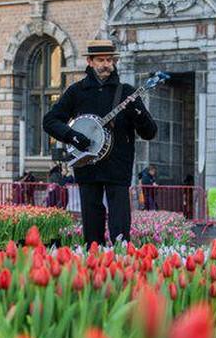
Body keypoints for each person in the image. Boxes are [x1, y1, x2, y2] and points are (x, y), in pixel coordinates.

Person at [43, 40, 157, 247]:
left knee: (120, 224)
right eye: (101, 60)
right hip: (88, 164)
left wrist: (137, 112)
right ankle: (93, 260)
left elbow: (150, 133)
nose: (106, 64)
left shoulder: (126, 92)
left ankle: (120, 261)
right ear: (90, 61)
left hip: (118, 165)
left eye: (109, 60)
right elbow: (50, 121)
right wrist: (72, 136)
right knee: (91, 222)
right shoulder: (76, 92)